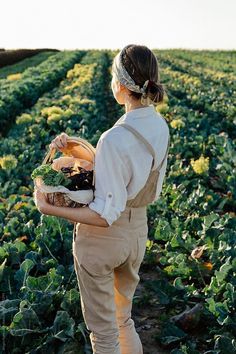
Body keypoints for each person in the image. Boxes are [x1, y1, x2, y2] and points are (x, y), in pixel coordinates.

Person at [34, 44, 170, 354]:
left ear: (121, 85)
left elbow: (104, 213)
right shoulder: (159, 127)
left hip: (103, 239)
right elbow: (122, 178)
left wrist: (48, 207)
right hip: (136, 233)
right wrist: (75, 151)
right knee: (123, 320)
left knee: (104, 334)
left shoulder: (114, 137)